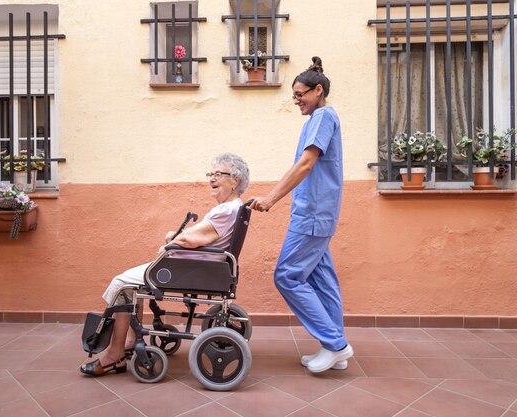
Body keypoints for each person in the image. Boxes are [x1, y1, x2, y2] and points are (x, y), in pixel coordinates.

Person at [80, 153, 250, 376]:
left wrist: (172, 244)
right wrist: (180, 235)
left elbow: (194, 239)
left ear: (235, 180)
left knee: (121, 283)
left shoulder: (225, 209)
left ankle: (115, 353)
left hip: (189, 271)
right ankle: (130, 339)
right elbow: (203, 233)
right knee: (131, 285)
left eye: (218, 174)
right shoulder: (233, 207)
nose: (211, 179)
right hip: (203, 269)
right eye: (211, 173)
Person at [249, 56, 353, 373]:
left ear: (317, 90)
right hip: (316, 215)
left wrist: (271, 198)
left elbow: (306, 164)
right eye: (294, 96)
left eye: (300, 95)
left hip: (312, 217)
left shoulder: (322, 117)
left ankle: (336, 344)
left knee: (288, 276)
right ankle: (335, 349)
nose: (297, 101)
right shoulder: (320, 119)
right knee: (323, 281)